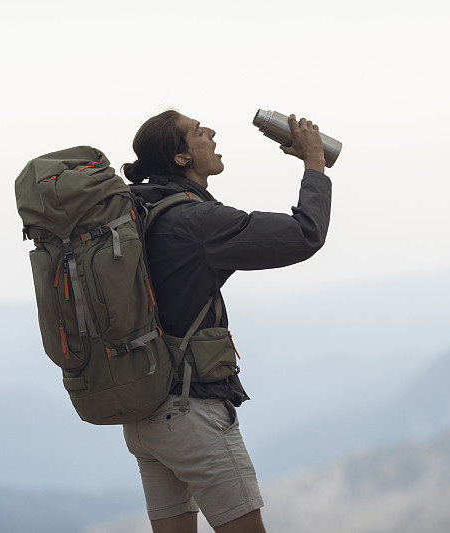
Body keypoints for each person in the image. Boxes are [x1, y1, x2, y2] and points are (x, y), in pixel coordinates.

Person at [121, 109, 332, 533]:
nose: (211, 132)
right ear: (181, 158)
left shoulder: (137, 209)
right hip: (190, 412)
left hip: (142, 412)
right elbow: (304, 234)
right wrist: (314, 165)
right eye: (198, 131)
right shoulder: (195, 222)